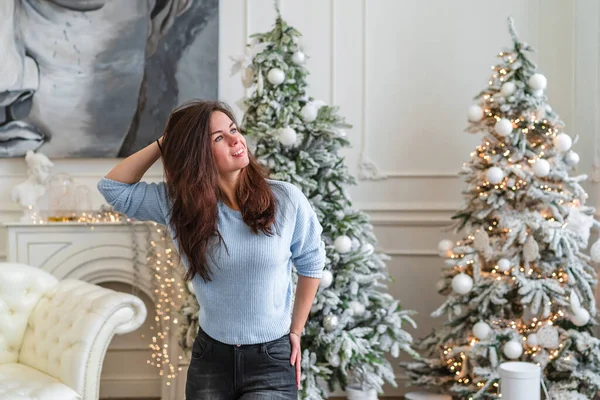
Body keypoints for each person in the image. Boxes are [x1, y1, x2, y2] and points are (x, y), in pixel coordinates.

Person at [97, 100, 326, 399]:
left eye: (233, 129)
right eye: (218, 138)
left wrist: (295, 331)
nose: (236, 140)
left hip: (272, 359)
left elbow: (311, 263)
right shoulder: (178, 206)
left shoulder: (285, 199)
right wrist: (167, 142)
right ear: (198, 153)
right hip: (211, 360)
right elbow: (112, 188)